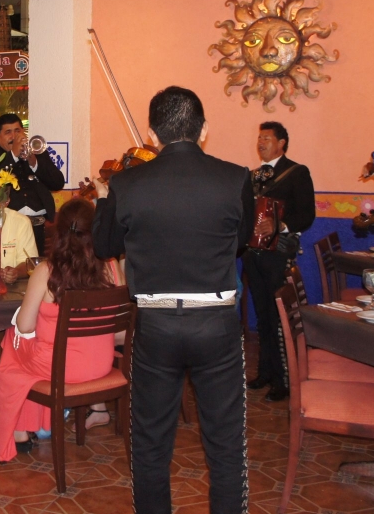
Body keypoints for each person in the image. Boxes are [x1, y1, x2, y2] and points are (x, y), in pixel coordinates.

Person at [92, 86, 254, 514]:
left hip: (156, 324)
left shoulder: (126, 183)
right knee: (225, 445)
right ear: (204, 130)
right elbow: (237, 245)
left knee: (149, 444)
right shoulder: (237, 178)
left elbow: (105, 244)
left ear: (150, 132)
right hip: (216, 323)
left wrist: (106, 199)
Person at [0, 198, 116, 462]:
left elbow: (25, 326)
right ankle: (41, 421)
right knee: (29, 353)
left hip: (62, 369)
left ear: (58, 231)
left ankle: (19, 430)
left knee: (12, 345)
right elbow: (119, 331)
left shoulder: (46, 272)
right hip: (102, 365)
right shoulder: (111, 268)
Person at [243, 122, 315, 402]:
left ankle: (284, 380)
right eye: (258, 137)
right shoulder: (251, 176)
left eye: (267, 138)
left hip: (279, 253)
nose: (260, 142)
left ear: (282, 143)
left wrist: (279, 225)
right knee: (262, 315)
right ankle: (265, 372)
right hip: (253, 253)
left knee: (279, 316)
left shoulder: (297, 172)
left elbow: (307, 215)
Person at [0, 114, 65, 255]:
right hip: (9, 226)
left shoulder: (37, 152)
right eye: (8, 132)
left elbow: (57, 183)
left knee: (38, 267)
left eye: (17, 131)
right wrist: (14, 155)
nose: (14, 136)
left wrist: (34, 162)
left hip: (40, 226)